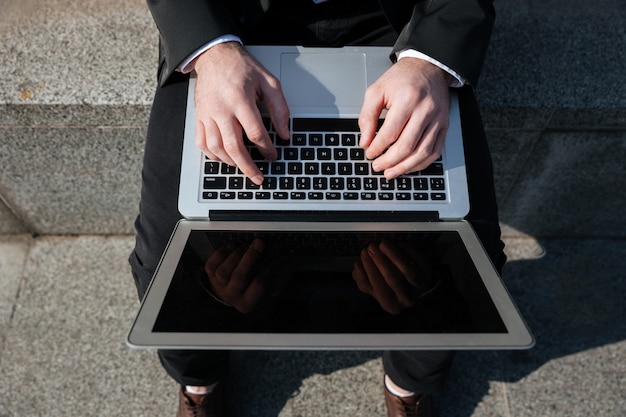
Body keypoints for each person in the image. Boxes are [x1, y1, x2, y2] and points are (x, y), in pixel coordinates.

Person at [129, 0, 506, 416]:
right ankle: (199, 379)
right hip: (233, 22)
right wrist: (210, 49)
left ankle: (409, 385)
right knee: (165, 257)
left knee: (469, 254)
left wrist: (430, 61)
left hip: (399, 26)